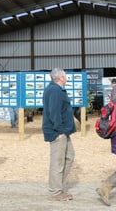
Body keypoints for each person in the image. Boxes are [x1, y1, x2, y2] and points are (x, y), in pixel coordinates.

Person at [42, 68, 76, 201]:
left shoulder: (56, 89)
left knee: (69, 157)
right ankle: (55, 192)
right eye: (65, 75)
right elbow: (54, 112)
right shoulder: (54, 90)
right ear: (61, 77)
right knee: (58, 162)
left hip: (63, 131)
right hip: (58, 132)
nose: (66, 76)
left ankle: (59, 187)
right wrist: (59, 131)